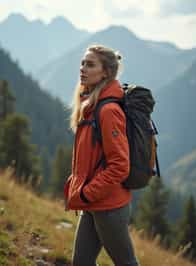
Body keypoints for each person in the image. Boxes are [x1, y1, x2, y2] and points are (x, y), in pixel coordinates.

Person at [64, 44, 140, 266]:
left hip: (109, 207)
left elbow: (119, 165)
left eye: (89, 64)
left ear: (105, 72)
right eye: (82, 63)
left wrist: (87, 193)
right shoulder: (91, 106)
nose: (82, 69)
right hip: (94, 201)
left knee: (126, 263)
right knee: (81, 262)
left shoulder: (108, 111)